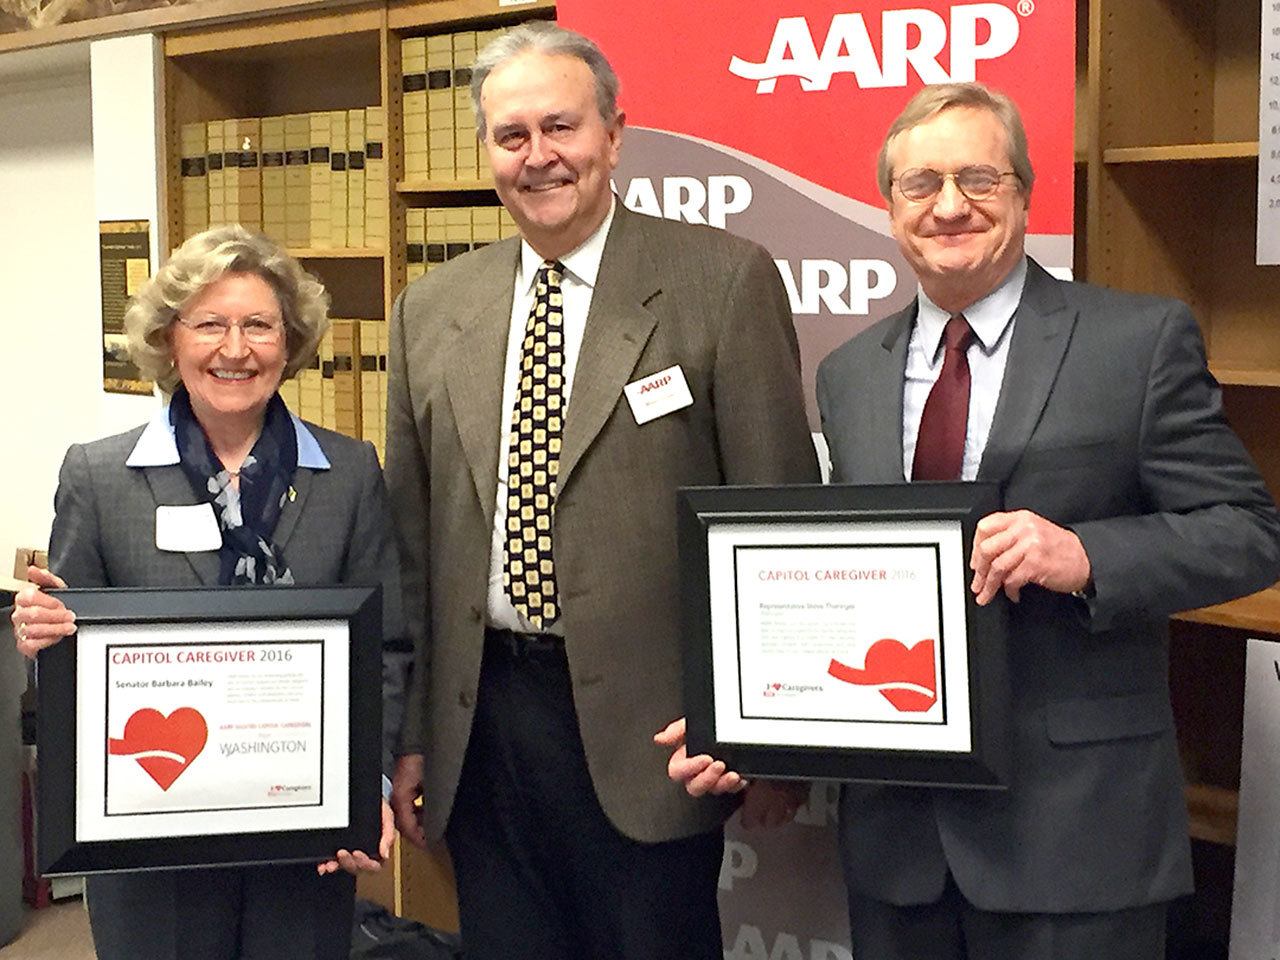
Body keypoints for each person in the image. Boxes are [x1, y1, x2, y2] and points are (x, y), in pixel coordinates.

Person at [664, 82, 1280, 959]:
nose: (950, 205)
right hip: (898, 847)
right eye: (921, 184)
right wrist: (748, 723)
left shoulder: (1138, 344)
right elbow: (838, 581)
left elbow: (1251, 530)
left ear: (1024, 194)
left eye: (979, 179)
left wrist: (1088, 553)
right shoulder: (848, 375)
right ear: (890, 209)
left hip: (1076, 835)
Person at [384, 21, 820, 960]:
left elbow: (776, 516)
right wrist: (412, 733)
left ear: (614, 134)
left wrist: (773, 740)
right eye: (511, 136)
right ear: (486, 151)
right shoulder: (432, 308)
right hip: (485, 730)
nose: (538, 156)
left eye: (561, 127)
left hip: (656, 735)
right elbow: (414, 545)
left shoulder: (718, 281)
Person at [10, 224, 406, 960]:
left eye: (259, 325)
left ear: (289, 343)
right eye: (210, 324)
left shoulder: (350, 474)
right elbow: (67, 658)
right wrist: (41, 639)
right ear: (169, 340)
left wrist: (367, 786)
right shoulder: (98, 478)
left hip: (304, 841)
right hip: (148, 848)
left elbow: (385, 649)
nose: (235, 348)